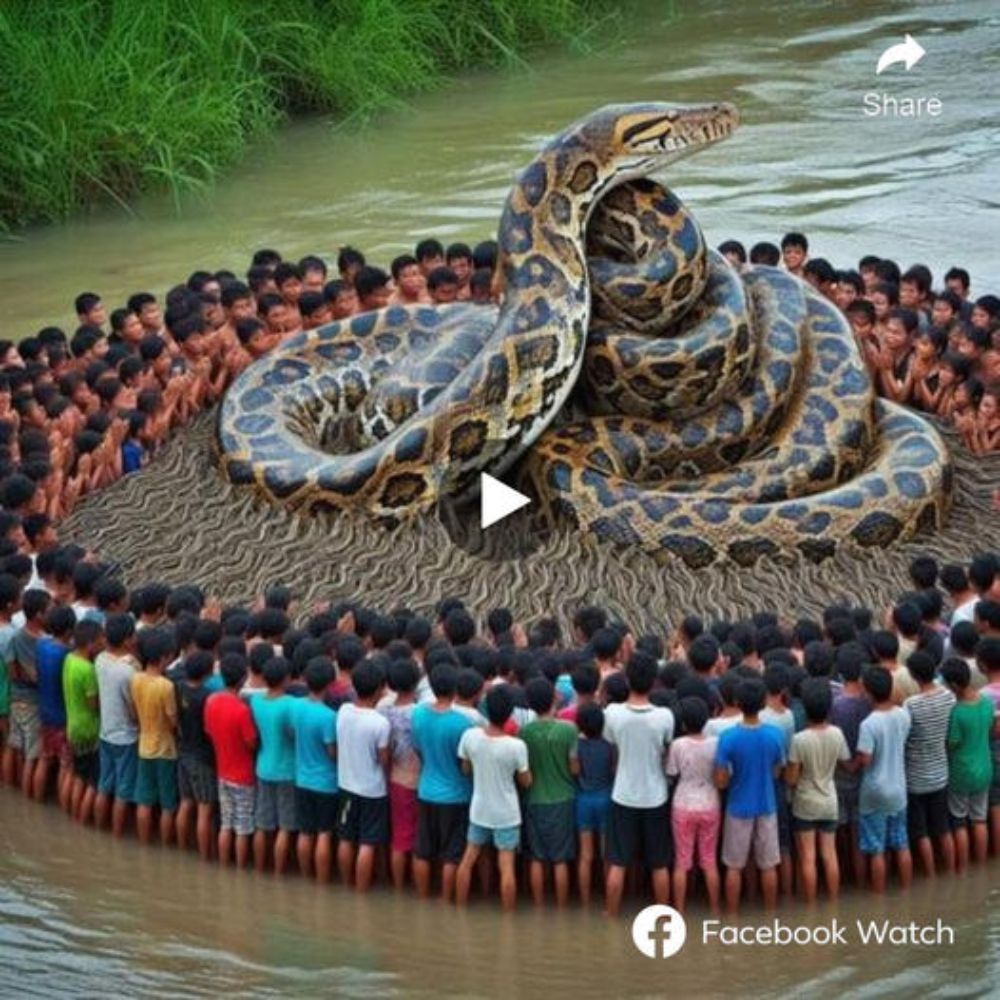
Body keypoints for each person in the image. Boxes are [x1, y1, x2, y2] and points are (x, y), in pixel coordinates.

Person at [603, 652, 674, 917]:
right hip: (656, 795)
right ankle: (664, 916)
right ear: (654, 681)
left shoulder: (612, 714)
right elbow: (666, 748)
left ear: (627, 679)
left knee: (618, 862)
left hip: (623, 795)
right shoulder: (665, 717)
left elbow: (611, 745)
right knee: (659, 864)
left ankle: (610, 915)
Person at [455, 684, 531, 910]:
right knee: (506, 866)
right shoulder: (517, 746)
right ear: (509, 714)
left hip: (479, 810)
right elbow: (526, 781)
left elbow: (466, 769)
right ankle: (508, 919)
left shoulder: (470, 737)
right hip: (507, 813)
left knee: (468, 860)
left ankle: (460, 909)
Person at [714, 678, 786, 913]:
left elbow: (721, 781)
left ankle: (732, 920)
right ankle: (770, 917)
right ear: (763, 703)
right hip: (767, 806)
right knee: (768, 866)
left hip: (737, 807)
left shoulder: (727, 738)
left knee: (734, 867)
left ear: (737, 702)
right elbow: (777, 771)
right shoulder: (775, 735)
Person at [411, 664, 473, 902]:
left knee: (423, 851)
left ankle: (424, 898)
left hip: (426, 790)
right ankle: (446, 899)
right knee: (451, 855)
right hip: (455, 795)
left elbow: (418, 750)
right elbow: (464, 764)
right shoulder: (462, 724)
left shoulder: (419, 714)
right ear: (456, 688)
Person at [786, 679, 850, 902]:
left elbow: (792, 779)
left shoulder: (799, 740)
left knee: (808, 857)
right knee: (829, 855)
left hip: (805, 803)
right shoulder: (837, 734)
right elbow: (845, 761)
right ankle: (833, 903)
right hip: (829, 800)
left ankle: (811, 907)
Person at [519, 675, 579, 907]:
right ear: (553, 699)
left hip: (534, 799)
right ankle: (562, 908)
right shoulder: (569, 730)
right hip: (563, 799)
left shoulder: (524, 733)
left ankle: (539, 908)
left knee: (536, 857)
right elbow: (574, 768)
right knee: (560, 859)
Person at [336, 658, 391, 892]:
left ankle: (348, 883)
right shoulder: (380, 723)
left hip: (346, 784)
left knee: (346, 838)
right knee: (367, 843)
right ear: (380, 688)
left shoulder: (344, 710)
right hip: (372, 790)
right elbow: (384, 759)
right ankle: (361, 891)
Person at [856, 666, 913, 892]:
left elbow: (866, 760)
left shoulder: (868, 724)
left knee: (876, 848)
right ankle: (906, 892)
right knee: (901, 843)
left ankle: (878, 899)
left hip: (875, 792)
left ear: (868, 693)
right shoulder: (903, 714)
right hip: (899, 788)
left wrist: (853, 762)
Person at [902, 651, 956, 875]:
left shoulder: (911, 705)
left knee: (921, 832)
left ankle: (931, 874)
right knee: (943, 828)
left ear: (914, 676)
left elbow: (905, 737)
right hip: (941, 774)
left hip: (915, 778)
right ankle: (953, 871)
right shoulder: (949, 697)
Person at [203, 653, 258, 868]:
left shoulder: (211, 701)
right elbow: (252, 743)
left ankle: (225, 866)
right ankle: (240, 870)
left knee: (226, 824)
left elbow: (209, 732)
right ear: (244, 678)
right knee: (243, 827)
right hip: (243, 777)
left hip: (222, 773)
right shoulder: (242, 710)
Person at [667, 696, 721, 913]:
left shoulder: (677, 745)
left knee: (682, 862)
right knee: (709, 861)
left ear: (682, 723)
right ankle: (715, 909)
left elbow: (671, 772)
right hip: (710, 804)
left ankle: (679, 910)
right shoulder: (716, 743)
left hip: (683, 804)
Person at [942, 658, 994, 870]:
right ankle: (980, 867)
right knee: (980, 819)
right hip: (984, 769)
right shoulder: (987, 703)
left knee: (960, 822)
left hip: (961, 773)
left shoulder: (958, 712)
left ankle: (962, 869)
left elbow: (952, 744)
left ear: (954, 685)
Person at [249, 656, 298, 874]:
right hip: (286, 770)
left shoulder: (255, 702)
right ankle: (278, 872)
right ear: (286, 679)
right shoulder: (290, 704)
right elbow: (293, 734)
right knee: (285, 827)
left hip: (263, 767)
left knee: (263, 823)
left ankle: (260, 869)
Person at [131, 626, 179, 845]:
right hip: (165, 749)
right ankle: (166, 845)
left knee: (144, 800)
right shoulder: (166, 686)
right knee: (168, 804)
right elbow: (172, 719)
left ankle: (143, 842)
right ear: (162, 658)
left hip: (144, 746)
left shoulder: (136, 679)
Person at [292, 658, 338, 882]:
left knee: (305, 832)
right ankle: (321, 881)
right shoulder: (329, 716)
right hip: (326, 783)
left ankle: (305, 875)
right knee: (324, 833)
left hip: (302, 779)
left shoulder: (296, 706)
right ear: (330, 684)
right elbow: (332, 752)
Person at [380, 657, 421, 889]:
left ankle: (397, 886)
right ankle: (416, 886)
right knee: (415, 840)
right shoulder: (420, 712)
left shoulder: (384, 710)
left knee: (399, 836)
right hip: (417, 779)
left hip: (394, 778)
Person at [174, 650, 218, 860]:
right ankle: (204, 857)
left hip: (183, 752)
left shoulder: (179, 687)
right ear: (207, 672)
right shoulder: (207, 696)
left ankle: (183, 849)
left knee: (185, 803)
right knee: (204, 809)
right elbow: (210, 730)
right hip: (201, 758)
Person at [7, 588, 50, 796]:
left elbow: (12, 671)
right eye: (49, 609)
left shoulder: (15, 637)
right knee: (35, 757)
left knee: (18, 748)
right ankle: (31, 803)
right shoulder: (44, 642)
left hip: (16, 699)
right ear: (39, 615)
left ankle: (20, 796)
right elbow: (37, 677)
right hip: (34, 702)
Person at [62, 618, 104, 825]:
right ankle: (83, 821)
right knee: (92, 783)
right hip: (88, 729)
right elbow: (94, 705)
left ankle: (71, 814)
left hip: (73, 726)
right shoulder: (87, 669)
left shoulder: (69, 658)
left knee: (77, 775)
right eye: (99, 641)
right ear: (89, 644)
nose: (102, 644)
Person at [574, 701, 614, 906]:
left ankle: (585, 901)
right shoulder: (609, 747)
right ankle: (609, 899)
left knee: (586, 856)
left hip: (583, 801)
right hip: (606, 799)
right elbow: (613, 770)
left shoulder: (577, 746)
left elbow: (574, 770)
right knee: (606, 855)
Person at [34, 604, 75, 806]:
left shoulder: (41, 645)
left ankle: (36, 802)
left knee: (44, 758)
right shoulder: (67, 654)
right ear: (69, 630)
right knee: (66, 765)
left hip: (44, 713)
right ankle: (64, 809)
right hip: (62, 718)